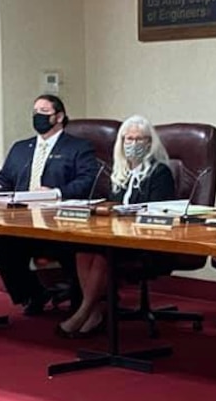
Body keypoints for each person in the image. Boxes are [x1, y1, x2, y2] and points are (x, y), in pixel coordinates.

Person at [56, 116, 175, 338]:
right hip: (118, 236)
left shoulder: (160, 173)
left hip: (146, 241)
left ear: (150, 143)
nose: (134, 144)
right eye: (129, 138)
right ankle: (93, 313)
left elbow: (160, 212)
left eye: (140, 139)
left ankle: (84, 312)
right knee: (83, 250)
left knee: (103, 254)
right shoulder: (119, 172)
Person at [0, 94, 99, 315]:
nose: (38, 116)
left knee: (73, 255)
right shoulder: (21, 148)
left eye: (44, 112)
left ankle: (83, 308)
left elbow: (88, 181)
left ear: (59, 117)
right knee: (1, 250)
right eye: (35, 111)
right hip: (23, 221)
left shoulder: (78, 147)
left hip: (59, 221)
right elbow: (4, 177)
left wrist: (57, 193)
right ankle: (33, 293)